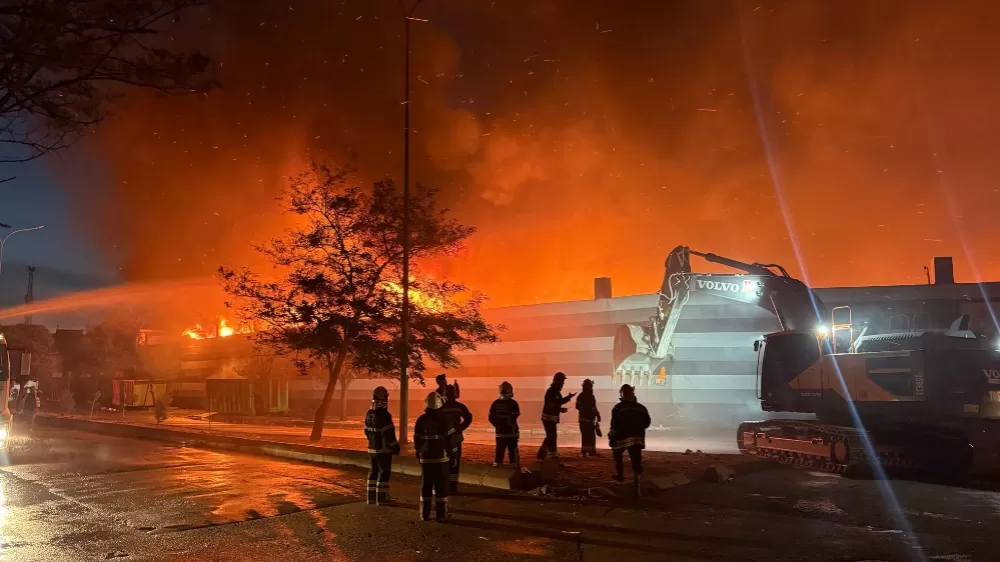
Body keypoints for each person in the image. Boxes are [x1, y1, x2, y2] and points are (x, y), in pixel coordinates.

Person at [414, 391, 457, 522]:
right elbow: (451, 441)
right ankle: (441, 515)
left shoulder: (421, 420)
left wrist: (418, 454)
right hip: (441, 459)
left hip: (426, 458)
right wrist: (453, 455)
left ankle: (424, 514)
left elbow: (417, 440)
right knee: (441, 485)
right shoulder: (445, 420)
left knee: (426, 484)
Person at [608, 384, 651, 496]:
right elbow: (647, 423)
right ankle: (637, 488)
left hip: (621, 439)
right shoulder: (641, 408)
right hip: (637, 439)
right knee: (636, 462)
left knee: (617, 454)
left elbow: (614, 425)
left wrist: (611, 436)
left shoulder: (618, 408)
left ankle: (620, 475)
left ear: (622, 394)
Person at [364, 386, 400, 505]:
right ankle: (382, 498)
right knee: (383, 472)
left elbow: (366, 432)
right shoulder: (385, 415)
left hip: (372, 449)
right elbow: (389, 435)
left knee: (373, 471)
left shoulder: (369, 414)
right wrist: (395, 447)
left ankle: (371, 498)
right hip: (383, 450)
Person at [440, 385, 472, 494]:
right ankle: (452, 487)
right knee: (454, 463)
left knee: (445, 462)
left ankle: (447, 486)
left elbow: (468, 418)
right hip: (454, 439)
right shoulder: (459, 406)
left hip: (445, 439)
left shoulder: (441, 407)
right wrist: (460, 428)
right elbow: (468, 418)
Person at [537, 372, 576, 460]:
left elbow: (559, 402)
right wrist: (560, 410)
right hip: (548, 418)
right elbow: (551, 406)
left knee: (550, 436)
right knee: (552, 436)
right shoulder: (552, 391)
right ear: (557, 381)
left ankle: (542, 454)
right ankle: (551, 454)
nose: (563, 384)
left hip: (550, 418)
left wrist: (568, 397)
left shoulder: (555, 391)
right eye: (562, 382)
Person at [489, 381, 520, 468]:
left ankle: (497, 470)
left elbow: (491, 418)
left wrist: (498, 426)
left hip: (500, 433)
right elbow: (515, 415)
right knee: (513, 452)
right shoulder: (513, 403)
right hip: (512, 433)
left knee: (499, 452)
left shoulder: (495, 403)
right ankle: (514, 469)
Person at [575, 379, 601, 457]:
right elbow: (578, 406)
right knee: (586, 436)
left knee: (591, 436)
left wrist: (597, 414)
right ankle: (585, 452)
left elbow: (594, 406)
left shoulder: (591, 396)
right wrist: (586, 409)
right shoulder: (581, 396)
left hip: (590, 419)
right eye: (590, 386)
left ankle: (591, 452)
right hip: (584, 419)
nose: (591, 387)